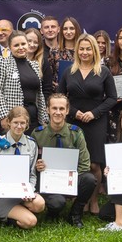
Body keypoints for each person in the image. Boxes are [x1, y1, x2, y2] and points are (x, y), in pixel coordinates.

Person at [57, 33, 117, 214]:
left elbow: (112, 98)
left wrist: (94, 113)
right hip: (74, 121)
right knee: (75, 162)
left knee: (94, 164)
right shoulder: (69, 71)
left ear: (94, 50)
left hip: (96, 121)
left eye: (88, 49)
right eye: (81, 49)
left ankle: (94, 200)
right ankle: (79, 200)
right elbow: (59, 97)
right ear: (77, 51)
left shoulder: (103, 71)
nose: (84, 52)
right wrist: (73, 112)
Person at [32, 94, 96, 227]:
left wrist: (68, 181)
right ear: (48, 110)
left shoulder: (76, 133)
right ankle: (52, 212)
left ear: (67, 111)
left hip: (70, 178)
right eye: (54, 108)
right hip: (47, 180)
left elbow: (85, 164)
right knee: (57, 203)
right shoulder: (37, 134)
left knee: (89, 179)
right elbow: (30, 165)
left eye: (61, 109)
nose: (58, 112)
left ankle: (75, 213)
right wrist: (37, 166)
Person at [0, 106, 46, 229]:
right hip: (2, 194)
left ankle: (19, 211)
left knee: (40, 204)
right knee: (30, 222)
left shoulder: (31, 144)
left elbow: (32, 174)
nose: (19, 126)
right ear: (9, 122)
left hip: (22, 192)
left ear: (27, 124)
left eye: (22, 123)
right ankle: (10, 216)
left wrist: (29, 190)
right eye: (15, 122)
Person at [0, 31, 48, 131]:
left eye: (23, 44)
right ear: (10, 47)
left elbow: (39, 94)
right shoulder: (2, 62)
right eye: (16, 45)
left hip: (32, 118)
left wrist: (44, 118)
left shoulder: (34, 65)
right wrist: (3, 116)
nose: (21, 47)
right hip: (11, 119)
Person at [48, 16, 81, 89]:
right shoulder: (54, 52)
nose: (68, 32)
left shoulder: (82, 52)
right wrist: (55, 84)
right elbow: (49, 76)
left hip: (79, 92)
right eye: (65, 29)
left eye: (71, 28)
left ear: (77, 30)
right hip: (58, 92)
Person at [23, 27, 54, 99]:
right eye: (29, 41)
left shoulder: (43, 62)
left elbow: (47, 89)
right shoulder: (14, 60)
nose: (32, 44)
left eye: (35, 42)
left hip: (36, 103)